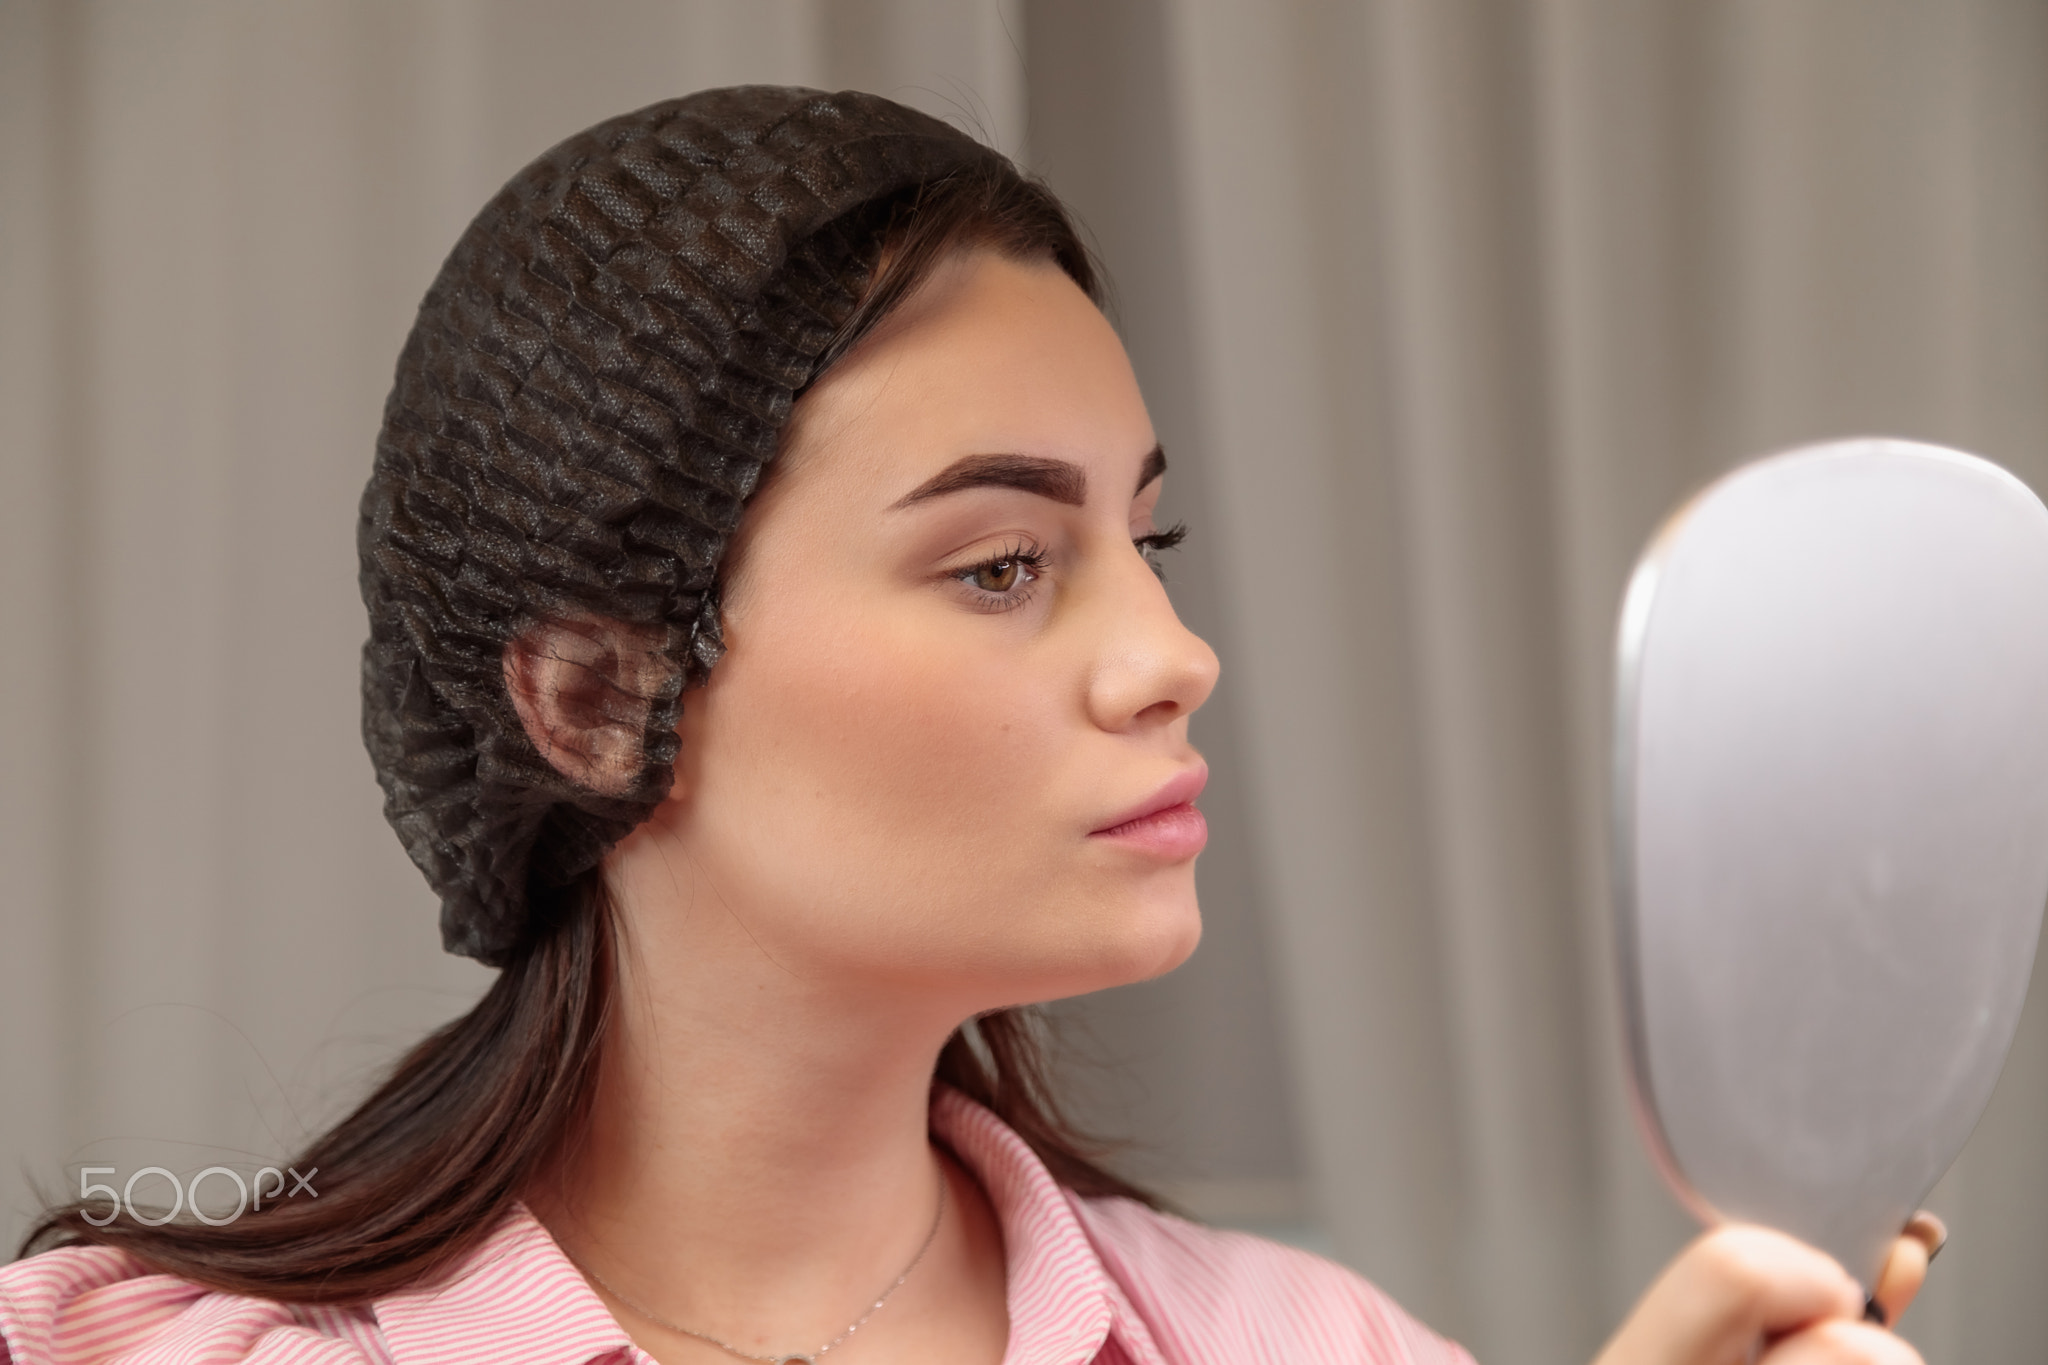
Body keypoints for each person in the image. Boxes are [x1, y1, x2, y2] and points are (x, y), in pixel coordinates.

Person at [1, 88, 1941, 1365]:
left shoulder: (1309, 1345)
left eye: (1145, 538)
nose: (1172, 654)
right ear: (596, 700)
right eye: (1004, 562)